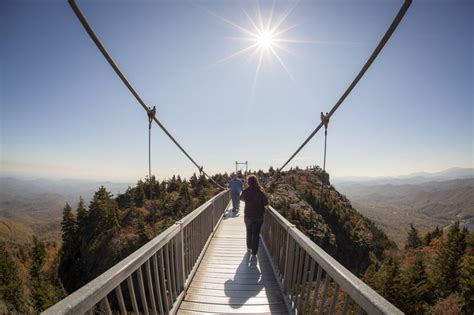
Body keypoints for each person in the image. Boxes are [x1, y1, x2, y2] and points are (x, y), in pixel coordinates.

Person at [240, 175, 268, 256]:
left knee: (249, 232)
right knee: (256, 234)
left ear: (248, 182)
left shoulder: (245, 191)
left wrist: (247, 201)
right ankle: (254, 252)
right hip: (258, 216)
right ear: (256, 181)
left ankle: (249, 248)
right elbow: (266, 203)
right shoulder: (261, 192)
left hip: (248, 216)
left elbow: (241, 198)